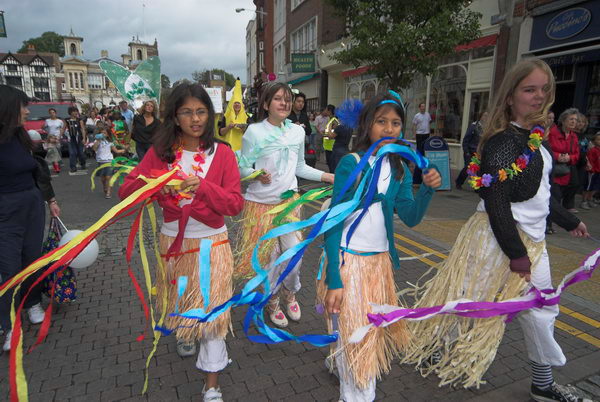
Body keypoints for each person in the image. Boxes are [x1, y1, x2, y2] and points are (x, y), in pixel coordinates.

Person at [401, 59, 590, 402]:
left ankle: (543, 384)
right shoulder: (504, 143)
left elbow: (542, 195)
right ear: (510, 97)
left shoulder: (535, 140)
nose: (538, 97)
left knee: (542, 309)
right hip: (496, 240)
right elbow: (496, 201)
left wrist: (570, 221)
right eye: (529, 89)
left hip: (533, 242)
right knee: (469, 303)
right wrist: (516, 255)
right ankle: (435, 346)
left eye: (544, 89)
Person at [119, 83, 243, 402]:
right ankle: (185, 328)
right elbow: (127, 191)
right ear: (175, 117)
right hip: (173, 246)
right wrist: (157, 188)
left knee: (214, 317)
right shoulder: (159, 155)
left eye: (201, 111)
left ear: (210, 114)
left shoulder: (223, 153)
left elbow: (234, 204)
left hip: (213, 245)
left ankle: (212, 384)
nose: (195, 118)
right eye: (187, 112)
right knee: (184, 309)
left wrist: (202, 188)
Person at [319, 91, 441, 401]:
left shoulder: (399, 169)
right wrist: (335, 279)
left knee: (366, 338)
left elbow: (410, 218)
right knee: (357, 345)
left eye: (396, 123)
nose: (389, 129)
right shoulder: (352, 163)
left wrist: (426, 190)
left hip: (379, 267)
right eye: (381, 121)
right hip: (349, 265)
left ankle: (347, 375)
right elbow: (332, 224)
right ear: (367, 125)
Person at [236, 82, 334, 328]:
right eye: (278, 99)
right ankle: (272, 302)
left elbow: (300, 167)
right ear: (266, 104)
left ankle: (290, 293)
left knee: (294, 258)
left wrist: (327, 176)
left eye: (287, 99)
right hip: (260, 206)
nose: (284, 103)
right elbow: (241, 168)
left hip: (289, 206)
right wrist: (255, 174)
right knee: (269, 261)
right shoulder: (254, 132)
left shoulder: (297, 132)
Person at [0, 85, 61, 351]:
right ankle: (7, 324)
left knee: (32, 258)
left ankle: (33, 301)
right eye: (23, 106)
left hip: (32, 204)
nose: (27, 110)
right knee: (7, 267)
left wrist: (51, 199)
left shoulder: (22, 136)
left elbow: (38, 172)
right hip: (5, 209)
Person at [548, 108, 581, 213]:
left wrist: (569, 158)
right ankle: (548, 225)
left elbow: (577, 154)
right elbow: (544, 149)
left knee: (560, 195)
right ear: (563, 120)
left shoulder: (574, 136)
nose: (573, 122)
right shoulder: (552, 133)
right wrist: (557, 156)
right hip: (553, 170)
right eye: (571, 119)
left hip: (565, 171)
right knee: (555, 197)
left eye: (575, 120)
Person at [93, 123, 127, 199]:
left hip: (109, 161)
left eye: (105, 133)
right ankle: (104, 186)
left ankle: (109, 191)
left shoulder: (110, 143)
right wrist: (98, 140)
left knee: (108, 177)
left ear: (108, 135)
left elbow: (116, 151)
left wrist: (124, 150)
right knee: (103, 178)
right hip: (100, 161)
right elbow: (94, 148)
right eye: (101, 133)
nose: (103, 134)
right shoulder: (97, 141)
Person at [456, 112, 488, 189]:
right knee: (468, 168)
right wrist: (466, 151)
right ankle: (459, 182)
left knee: (478, 169)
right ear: (480, 116)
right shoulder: (474, 126)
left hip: (480, 152)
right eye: (485, 115)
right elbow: (466, 139)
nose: (486, 117)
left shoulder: (487, 128)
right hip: (470, 151)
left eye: (487, 116)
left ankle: (477, 186)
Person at [62, 106, 88, 174]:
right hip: (71, 138)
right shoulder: (67, 120)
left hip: (79, 138)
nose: (75, 112)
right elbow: (63, 128)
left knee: (81, 153)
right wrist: (59, 136)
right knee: (72, 153)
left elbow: (82, 129)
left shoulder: (80, 120)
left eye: (76, 111)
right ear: (70, 112)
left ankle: (83, 163)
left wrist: (84, 138)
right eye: (73, 111)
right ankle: (73, 167)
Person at [412, 102, 432, 183]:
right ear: (419, 108)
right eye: (422, 107)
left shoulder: (428, 115)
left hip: (426, 134)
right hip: (419, 134)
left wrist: (430, 133)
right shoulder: (417, 116)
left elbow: (429, 124)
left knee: (425, 151)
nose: (423, 108)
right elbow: (413, 125)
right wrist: (414, 134)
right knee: (420, 150)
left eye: (424, 107)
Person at [581, 133, 600, 209]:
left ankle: (590, 199)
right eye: (598, 139)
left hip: (599, 172)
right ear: (594, 141)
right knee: (588, 187)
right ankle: (584, 201)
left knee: (595, 187)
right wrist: (592, 170)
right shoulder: (592, 150)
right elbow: (590, 161)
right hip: (592, 172)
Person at [322, 105, 337, 172]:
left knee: (332, 165)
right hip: (328, 146)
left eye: (326, 109)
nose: (324, 111)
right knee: (329, 164)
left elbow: (333, 134)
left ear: (329, 111)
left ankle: (332, 180)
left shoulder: (334, 121)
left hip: (331, 146)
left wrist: (326, 134)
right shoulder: (331, 120)